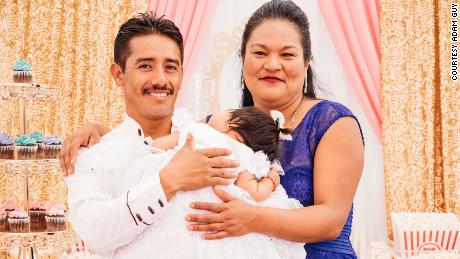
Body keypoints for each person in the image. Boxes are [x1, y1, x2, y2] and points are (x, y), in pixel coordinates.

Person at [61, 1, 364, 258]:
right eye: (259, 53)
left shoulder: (330, 122)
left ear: (306, 62)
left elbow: (331, 220)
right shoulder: (219, 126)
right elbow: (157, 139)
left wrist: (253, 218)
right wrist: (100, 131)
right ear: (243, 60)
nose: (272, 64)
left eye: (286, 54)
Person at [64, 12, 240, 258]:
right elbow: (96, 234)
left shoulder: (207, 137)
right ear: (118, 74)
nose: (160, 79)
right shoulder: (94, 155)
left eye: (170, 67)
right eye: (145, 66)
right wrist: (168, 181)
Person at [113, 107, 305, 258]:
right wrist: (270, 182)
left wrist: (151, 154)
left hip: (175, 193)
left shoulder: (197, 130)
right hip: (206, 215)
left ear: (234, 120)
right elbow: (252, 191)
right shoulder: (245, 156)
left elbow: (157, 146)